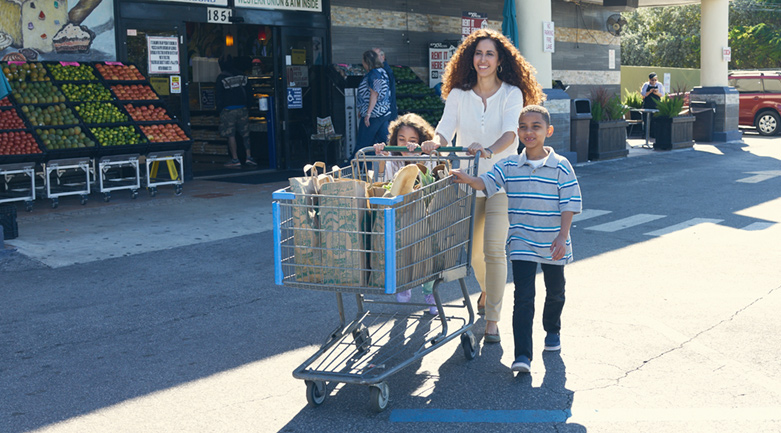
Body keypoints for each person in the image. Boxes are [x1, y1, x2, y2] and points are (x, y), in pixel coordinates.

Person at [421, 28, 545, 344]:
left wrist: (489, 149)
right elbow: (444, 129)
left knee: (494, 250)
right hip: (466, 182)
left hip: (502, 183)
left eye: (490, 53)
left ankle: (492, 319)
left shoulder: (511, 93)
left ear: (500, 59)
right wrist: (434, 143)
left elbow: (510, 134)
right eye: (478, 53)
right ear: (470, 58)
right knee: (474, 254)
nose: (483, 59)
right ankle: (490, 290)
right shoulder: (459, 95)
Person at [451, 105, 582, 373]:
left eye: (536, 126)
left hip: (553, 243)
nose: (529, 132)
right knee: (523, 296)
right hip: (522, 242)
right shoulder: (509, 165)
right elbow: (486, 182)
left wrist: (562, 237)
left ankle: (552, 330)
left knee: (555, 292)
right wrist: (467, 179)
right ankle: (522, 355)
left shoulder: (562, 166)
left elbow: (570, 203)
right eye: (523, 126)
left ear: (548, 131)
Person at [372, 113, 439, 315]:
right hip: (400, 214)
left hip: (424, 213)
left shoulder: (429, 158)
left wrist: (421, 155)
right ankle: (404, 283)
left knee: (425, 254)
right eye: (401, 140)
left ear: (421, 141)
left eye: (412, 140)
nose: (406, 145)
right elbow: (382, 183)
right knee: (399, 249)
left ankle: (429, 292)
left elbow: (435, 179)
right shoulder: (393, 158)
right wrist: (381, 159)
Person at [216, 54, 256, 168]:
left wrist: (219, 110)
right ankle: (249, 157)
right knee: (245, 134)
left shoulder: (221, 78)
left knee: (231, 135)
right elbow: (250, 92)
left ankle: (235, 159)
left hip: (228, 110)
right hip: (243, 109)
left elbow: (218, 96)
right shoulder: (242, 75)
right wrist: (249, 106)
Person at [355, 50, 391, 157]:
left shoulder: (374, 74)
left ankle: (357, 166)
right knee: (384, 142)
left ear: (367, 62)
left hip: (374, 115)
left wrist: (368, 113)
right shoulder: (382, 72)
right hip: (383, 113)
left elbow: (374, 94)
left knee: (363, 144)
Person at [373, 47, 397, 120]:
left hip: (385, 110)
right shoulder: (380, 70)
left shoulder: (384, 71)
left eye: (374, 55)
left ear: (382, 56)